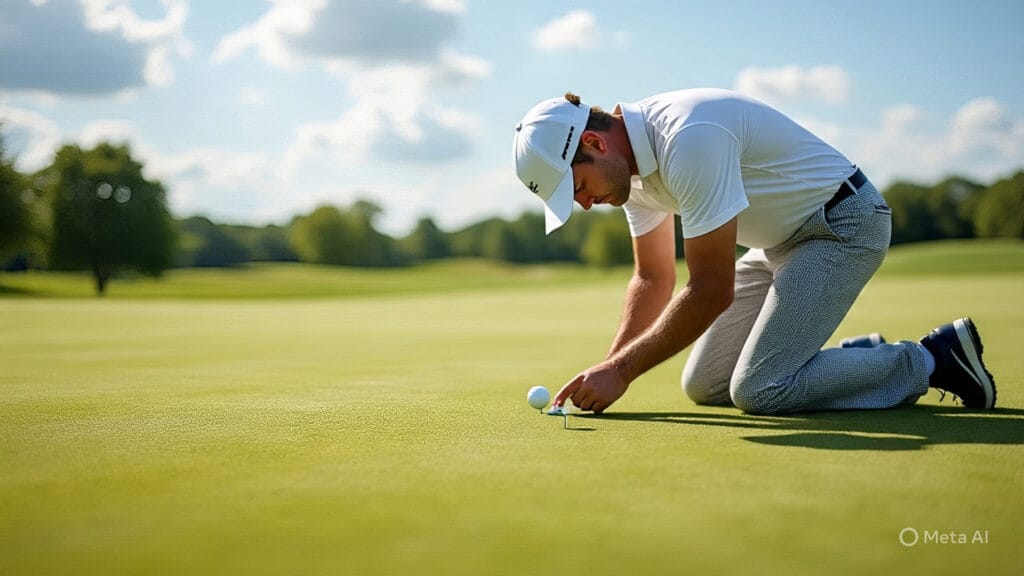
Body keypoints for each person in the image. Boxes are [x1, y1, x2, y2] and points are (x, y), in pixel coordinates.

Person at [512, 88, 996, 415]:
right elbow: (653, 278)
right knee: (703, 385)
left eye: (576, 187)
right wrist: (610, 366)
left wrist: (621, 371)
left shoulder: (687, 139)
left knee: (760, 388)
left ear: (595, 142)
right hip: (774, 245)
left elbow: (709, 289)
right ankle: (856, 362)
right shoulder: (627, 177)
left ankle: (936, 357)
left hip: (841, 223)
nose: (583, 204)